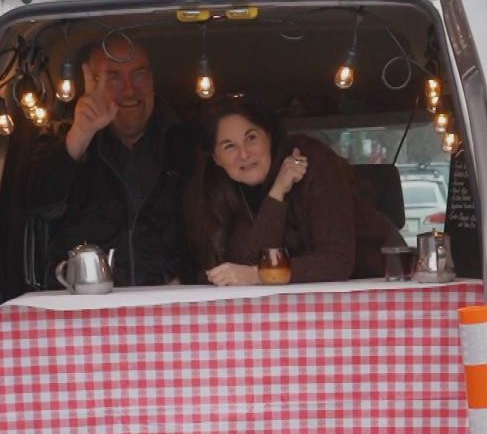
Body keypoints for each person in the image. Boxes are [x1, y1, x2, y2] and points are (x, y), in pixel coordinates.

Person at [26, 35, 195, 287]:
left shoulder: (188, 143)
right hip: (85, 307)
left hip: (171, 306)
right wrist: (80, 135)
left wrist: (188, 277)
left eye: (139, 74)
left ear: (152, 79)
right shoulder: (64, 139)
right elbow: (34, 201)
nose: (129, 90)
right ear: (89, 81)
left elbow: (215, 228)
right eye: (113, 76)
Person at [186, 96, 404, 285]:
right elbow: (242, 269)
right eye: (229, 146)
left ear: (268, 138)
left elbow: (336, 262)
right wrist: (277, 192)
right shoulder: (220, 190)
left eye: (251, 138)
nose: (244, 154)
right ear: (216, 158)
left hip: (378, 283)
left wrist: (258, 275)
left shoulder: (311, 160)